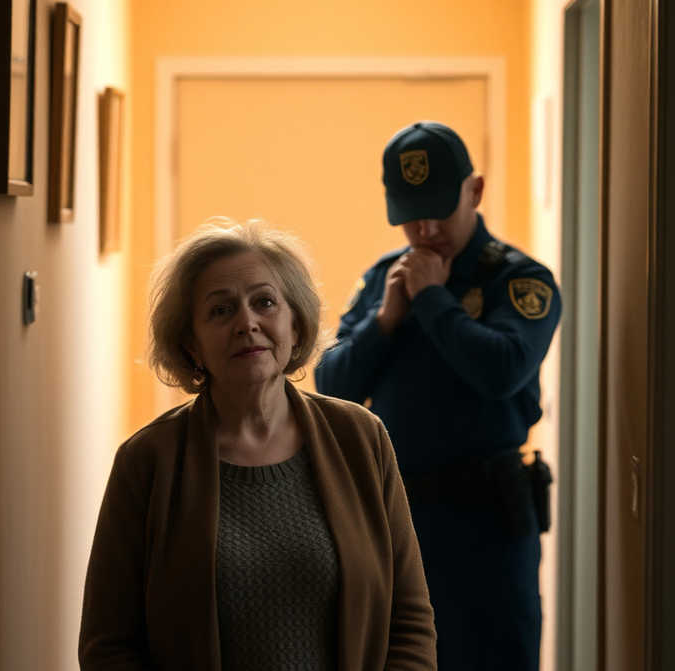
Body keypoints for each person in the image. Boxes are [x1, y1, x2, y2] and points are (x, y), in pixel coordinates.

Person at [79, 219, 437, 670]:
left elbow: (409, 619)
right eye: (220, 310)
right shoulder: (147, 461)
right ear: (191, 344)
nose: (247, 323)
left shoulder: (361, 438)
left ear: (295, 323)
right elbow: (107, 645)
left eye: (264, 302)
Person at [315, 121, 561, 671]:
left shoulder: (519, 281)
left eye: (439, 212)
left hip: (487, 524)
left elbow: (502, 370)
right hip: (397, 516)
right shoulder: (385, 280)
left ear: (475, 191)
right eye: (411, 217)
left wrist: (431, 299)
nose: (425, 230)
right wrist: (385, 320)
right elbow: (331, 386)